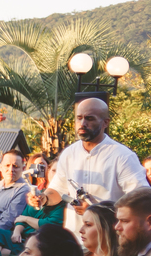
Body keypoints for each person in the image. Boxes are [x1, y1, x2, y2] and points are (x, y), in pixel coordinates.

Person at [46, 97, 148, 237]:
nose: (82, 123)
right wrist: (43, 198)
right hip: (75, 238)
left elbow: (142, 199)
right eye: (79, 118)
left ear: (105, 122)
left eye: (89, 118)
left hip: (110, 238)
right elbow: (58, 190)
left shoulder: (122, 156)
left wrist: (98, 211)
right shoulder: (69, 154)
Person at [0, 153, 63, 256]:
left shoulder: (64, 200)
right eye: (53, 171)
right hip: (22, 236)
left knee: (1, 251)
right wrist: (17, 231)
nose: (56, 175)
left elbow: (49, 224)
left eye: (60, 172)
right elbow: (20, 218)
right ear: (48, 172)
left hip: (37, 240)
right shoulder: (40, 193)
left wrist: (26, 219)